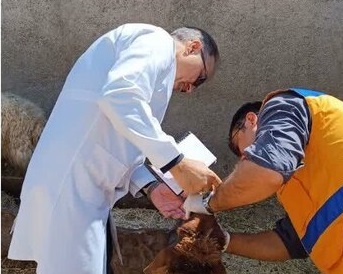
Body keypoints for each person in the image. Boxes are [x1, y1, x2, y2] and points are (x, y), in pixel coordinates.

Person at [8, 23, 221, 274]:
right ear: (193, 48)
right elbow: (119, 97)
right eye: (200, 79)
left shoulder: (147, 65)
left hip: (82, 191)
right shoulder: (156, 41)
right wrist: (178, 163)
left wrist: (151, 187)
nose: (190, 89)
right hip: (73, 190)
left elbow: (118, 140)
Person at [184, 88, 343, 274]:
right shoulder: (289, 186)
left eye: (239, 147)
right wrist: (223, 241)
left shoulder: (285, 106)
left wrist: (207, 204)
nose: (244, 158)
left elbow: (264, 173)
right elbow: (290, 243)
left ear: (251, 119)